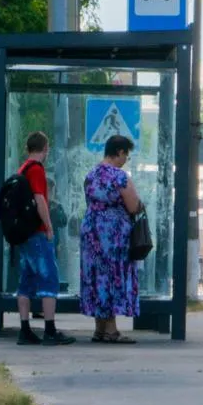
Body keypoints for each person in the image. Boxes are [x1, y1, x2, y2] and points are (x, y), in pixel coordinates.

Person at [81, 135, 145, 344]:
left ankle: (100, 328)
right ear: (119, 152)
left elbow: (90, 202)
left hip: (92, 231)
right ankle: (111, 331)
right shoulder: (119, 177)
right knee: (111, 276)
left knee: (96, 276)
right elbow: (133, 206)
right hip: (113, 235)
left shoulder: (91, 175)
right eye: (126, 154)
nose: (126, 159)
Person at [14, 131, 74, 345]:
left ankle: (25, 330)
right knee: (49, 281)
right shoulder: (36, 170)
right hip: (37, 233)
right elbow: (40, 200)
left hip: (24, 235)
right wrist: (48, 227)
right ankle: (50, 330)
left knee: (26, 282)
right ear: (45, 148)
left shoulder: (22, 169)